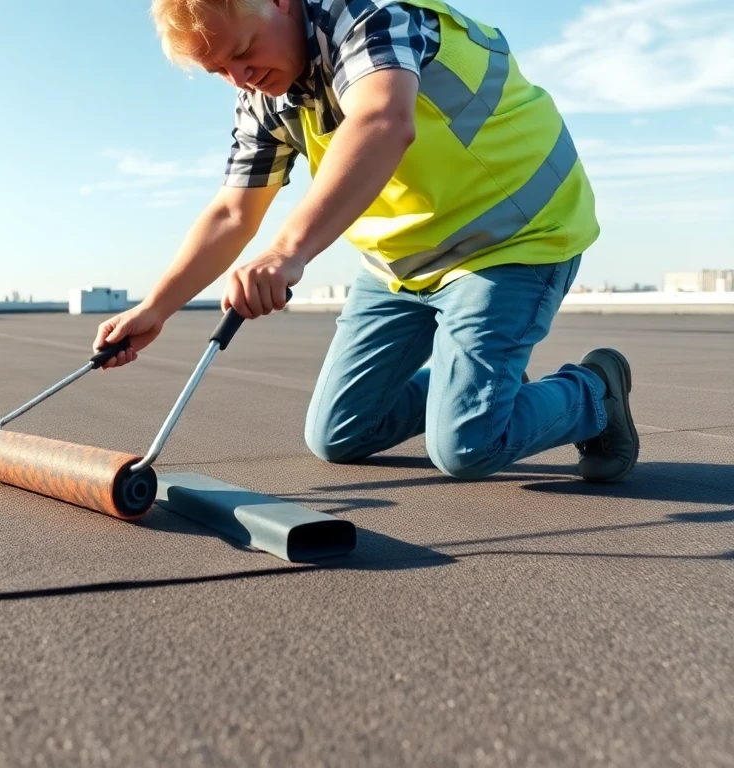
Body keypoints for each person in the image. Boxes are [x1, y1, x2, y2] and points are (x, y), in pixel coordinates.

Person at [93, 0, 638, 482]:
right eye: (221, 71)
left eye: (244, 50)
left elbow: (382, 120)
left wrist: (287, 251)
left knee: (468, 448)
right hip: (400, 266)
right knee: (339, 435)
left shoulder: (371, 16)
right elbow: (233, 212)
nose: (241, 77)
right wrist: (155, 309)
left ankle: (594, 392)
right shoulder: (262, 95)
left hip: (511, 241)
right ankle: (482, 387)